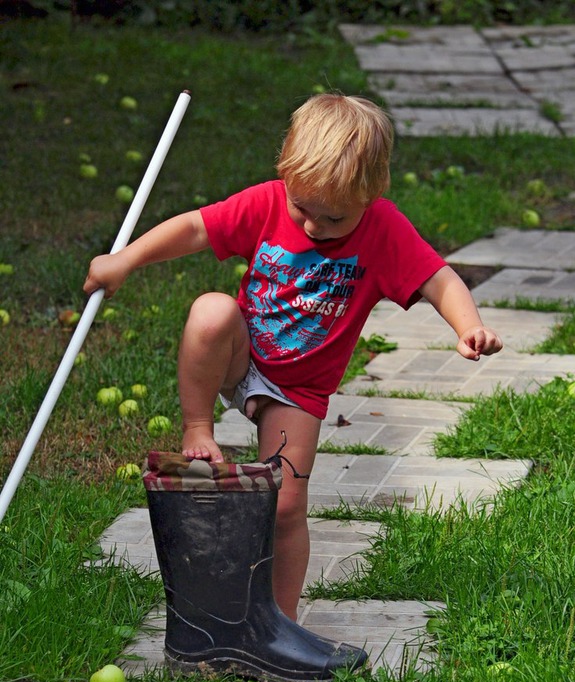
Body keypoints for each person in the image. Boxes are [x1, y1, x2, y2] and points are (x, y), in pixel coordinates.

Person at [83, 93, 503, 622]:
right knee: (211, 311)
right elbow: (194, 227)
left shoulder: (383, 228)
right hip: (242, 356)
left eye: (334, 218)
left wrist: (469, 327)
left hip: (297, 392)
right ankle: (198, 427)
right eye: (302, 208)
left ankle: (277, 625)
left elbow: (437, 279)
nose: (312, 227)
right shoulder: (266, 201)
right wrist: (125, 261)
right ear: (285, 173)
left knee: (285, 506)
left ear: (373, 194)